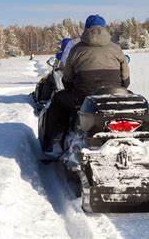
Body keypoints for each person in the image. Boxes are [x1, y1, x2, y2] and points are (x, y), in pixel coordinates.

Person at [43, 14, 130, 154]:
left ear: (86, 29)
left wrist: (71, 87)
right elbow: (125, 78)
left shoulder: (76, 49)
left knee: (58, 100)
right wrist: (120, 88)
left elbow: (67, 78)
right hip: (113, 95)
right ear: (104, 28)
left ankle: (53, 142)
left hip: (83, 96)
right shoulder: (116, 48)